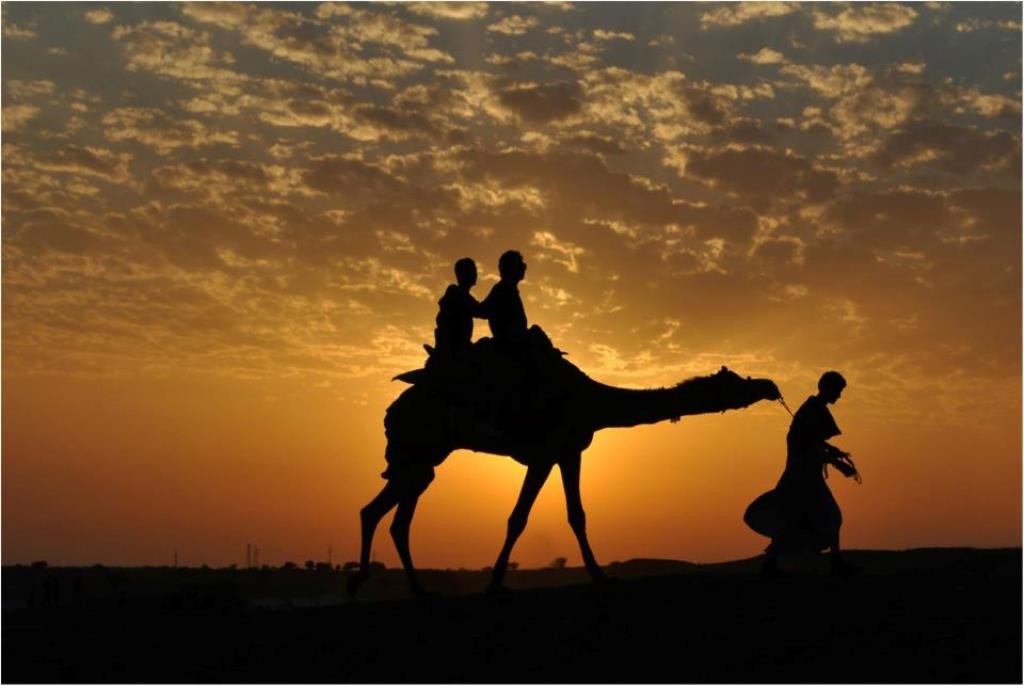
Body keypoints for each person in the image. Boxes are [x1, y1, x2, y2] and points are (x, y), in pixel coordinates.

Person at [749, 370, 861, 578]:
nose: (839, 395)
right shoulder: (813, 411)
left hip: (803, 477)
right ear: (827, 388)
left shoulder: (812, 410)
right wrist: (837, 462)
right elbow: (809, 447)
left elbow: (811, 441)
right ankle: (834, 564)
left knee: (796, 519)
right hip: (802, 480)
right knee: (829, 516)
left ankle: (771, 564)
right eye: (838, 390)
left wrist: (832, 451)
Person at [432, 257, 483, 361]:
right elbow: (480, 310)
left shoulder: (462, 295)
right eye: (473, 270)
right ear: (463, 274)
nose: (476, 274)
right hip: (453, 349)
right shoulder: (456, 293)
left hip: (458, 346)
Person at [479, 250, 528, 352]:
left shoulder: (509, 288)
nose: (524, 266)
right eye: (519, 263)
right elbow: (483, 310)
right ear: (511, 268)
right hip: (509, 346)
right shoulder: (503, 289)